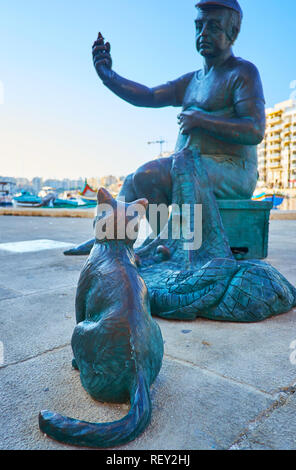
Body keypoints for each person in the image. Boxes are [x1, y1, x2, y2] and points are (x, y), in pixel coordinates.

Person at [65, 0, 266, 255]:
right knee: (132, 181)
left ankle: (169, 243)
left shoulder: (243, 73)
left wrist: (201, 120)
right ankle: (108, 238)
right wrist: (108, 75)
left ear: (233, 32)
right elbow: (148, 96)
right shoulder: (192, 80)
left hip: (233, 170)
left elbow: (255, 129)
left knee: (149, 175)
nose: (203, 34)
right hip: (192, 165)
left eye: (213, 27)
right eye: (199, 26)